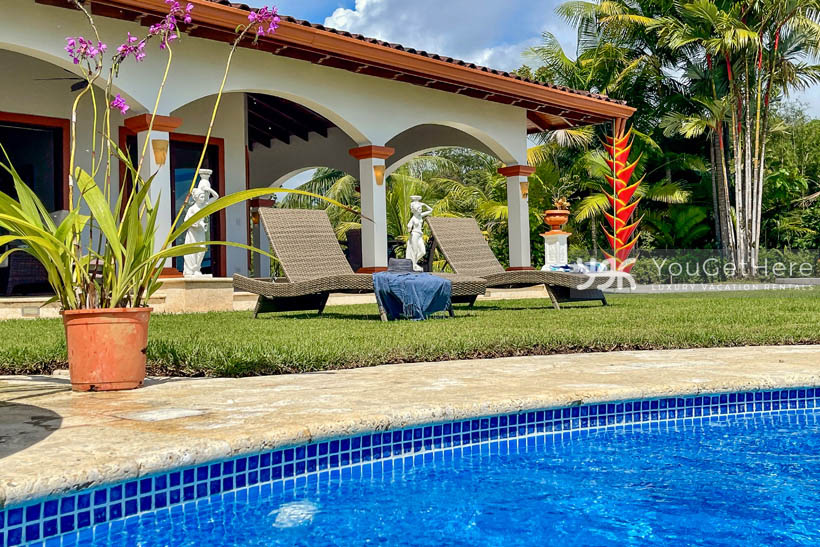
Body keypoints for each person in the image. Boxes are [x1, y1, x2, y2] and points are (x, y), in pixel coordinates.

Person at [183, 173, 220, 276]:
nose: (204, 198)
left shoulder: (204, 206)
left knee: (202, 249)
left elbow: (216, 197)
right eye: (202, 196)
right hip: (193, 232)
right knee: (193, 250)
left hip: (200, 232)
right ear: (196, 198)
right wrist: (198, 224)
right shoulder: (192, 209)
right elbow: (187, 221)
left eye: (204, 196)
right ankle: (192, 269)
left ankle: (197, 267)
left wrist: (208, 189)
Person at [406, 198, 433, 272]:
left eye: (421, 208)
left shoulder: (420, 216)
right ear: (415, 210)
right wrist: (409, 227)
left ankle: (413, 263)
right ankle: (413, 265)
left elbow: (431, 210)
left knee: (423, 251)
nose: (421, 210)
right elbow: (409, 227)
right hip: (414, 234)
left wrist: (424, 204)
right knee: (415, 251)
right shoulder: (413, 219)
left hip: (419, 235)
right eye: (419, 209)